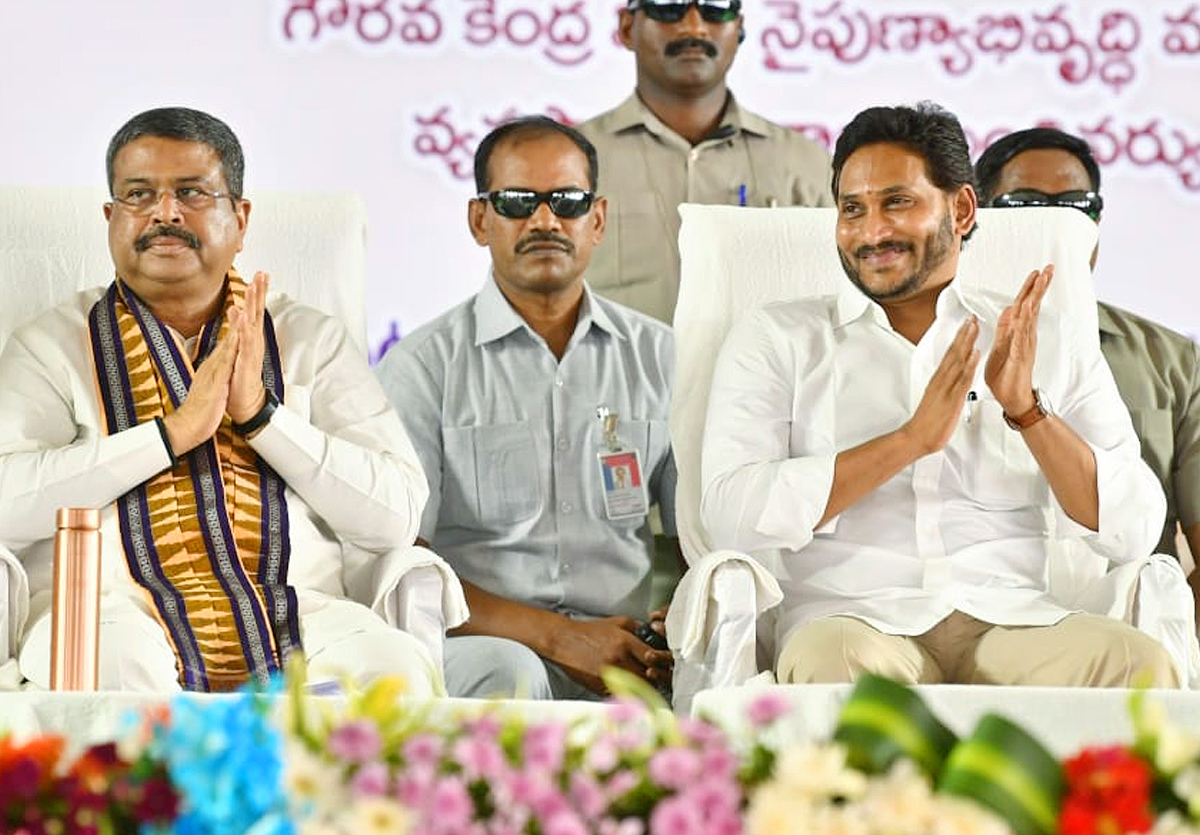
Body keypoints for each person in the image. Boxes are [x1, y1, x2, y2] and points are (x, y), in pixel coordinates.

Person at [701, 102, 1179, 688]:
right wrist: (908, 442)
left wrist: (1027, 412)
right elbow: (730, 513)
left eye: (896, 203)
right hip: (855, 623)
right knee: (834, 667)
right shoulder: (780, 338)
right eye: (853, 209)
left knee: (1141, 666)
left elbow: (1135, 526)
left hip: (1013, 620)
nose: (872, 232)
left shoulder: (1041, 337)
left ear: (961, 208)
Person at [0, 107, 439, 694]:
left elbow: (396, 515)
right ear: (110, 218)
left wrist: (262, 416)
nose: (165, 213)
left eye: (192, 192)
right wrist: (168, 436)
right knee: (107, 669)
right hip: (114, 612)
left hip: (296, 608)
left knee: (392, 674)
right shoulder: (51, 343)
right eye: (138, 194)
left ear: (241, 217)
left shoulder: (310, 339)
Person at [376, 116, 676, 699]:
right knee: (510, 671)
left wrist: (674, 623)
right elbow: (400, 560)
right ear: (480, 220)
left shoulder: (661, 356)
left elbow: (705, 533)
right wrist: (561, 638)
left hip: (627, 647)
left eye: (567, 201)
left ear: (598, 220)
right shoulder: (422, 367)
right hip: (483, 645)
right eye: (517, 202)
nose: (545, 221)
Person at [974, 127, 1200, 617]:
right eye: (1027, 206)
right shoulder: (937, 345)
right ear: (978, 217)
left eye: (1079, 206)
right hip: (977, 616)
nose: (1060, 225)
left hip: (1130, 626)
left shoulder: (1174, 362)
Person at [575, 0, 832, 324]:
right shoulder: (571, 161)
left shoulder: (805, 163)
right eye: (669, 7)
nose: (694, 26)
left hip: (763, 374)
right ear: (628, 28)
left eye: (715, 8)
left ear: (738, 29)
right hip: (613, 375)